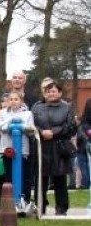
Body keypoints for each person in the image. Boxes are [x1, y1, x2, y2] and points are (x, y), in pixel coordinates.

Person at [31, 80, 76, 215]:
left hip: (59, 147)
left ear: (60, 93)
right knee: (41, 179)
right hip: (42, 147)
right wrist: (41, 132)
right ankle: (40, 205)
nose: (50, 94)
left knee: (60, 179)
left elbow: (71, 127)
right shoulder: (37, 107)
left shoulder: (66, 108)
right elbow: (31, 124)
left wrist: (54, 132)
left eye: (53, 91)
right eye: (48, 91)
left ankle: (61, 207)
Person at [0, 90, 35, 213]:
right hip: (6, 148)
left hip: (22, 149)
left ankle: (25, 201)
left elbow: (30, 129)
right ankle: (9, 203)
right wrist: (11, 123)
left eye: (16, 99)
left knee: (24, 176)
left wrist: (20, 126)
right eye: (11, 99)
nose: (13, 101)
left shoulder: (27, 114)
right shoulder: (2, 113)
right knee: (8, 177)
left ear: (21, 101)